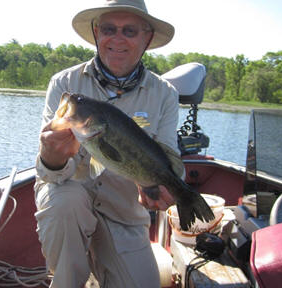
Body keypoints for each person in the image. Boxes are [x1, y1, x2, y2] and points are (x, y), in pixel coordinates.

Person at [34, 0, 182, 287]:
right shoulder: (64, 84)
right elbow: (49, 176)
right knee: (66, 202)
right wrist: (51, 157)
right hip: (68, 203)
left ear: (147, 38)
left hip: (125, 214)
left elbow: (167, 159)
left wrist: (164, 190)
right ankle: (68, 277)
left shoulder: (165, 95)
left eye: (129, 31)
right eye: (109, 29)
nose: (117, 38)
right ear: (96, 33)